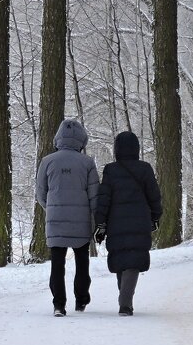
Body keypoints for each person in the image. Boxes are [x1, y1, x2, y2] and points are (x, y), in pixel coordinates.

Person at [94, 131, 163, 317]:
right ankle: (125, 302)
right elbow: (154, 196)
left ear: (117, 149)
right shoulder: (145, 169)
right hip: (140, 221)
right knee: (133, 261)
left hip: (115, 222)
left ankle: (124, 300)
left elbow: (104, 199)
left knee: (121, 259)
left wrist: (100, 222)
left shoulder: (110, 170)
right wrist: (156, 216)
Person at [35, 118, 99, 317]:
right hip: (81, 220)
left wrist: (52, 208)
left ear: (58, 138)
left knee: (57, 263)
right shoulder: (88, 163)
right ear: (82, 139)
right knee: (82, 261)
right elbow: (94, 195)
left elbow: (40, 193)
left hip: (55, 220)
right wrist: (92, 216)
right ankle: (81, 300)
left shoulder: (47, 161)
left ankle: (58, 305)